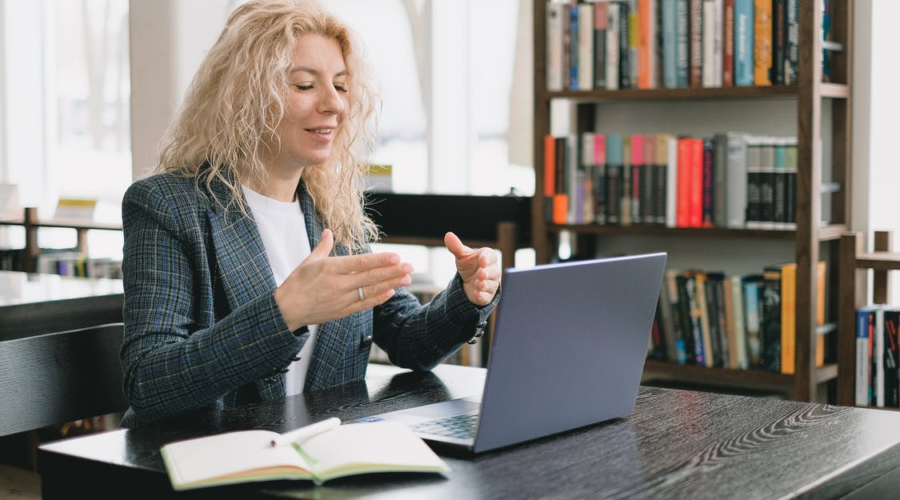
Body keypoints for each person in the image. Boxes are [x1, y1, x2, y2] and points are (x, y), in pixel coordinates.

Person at [119, 0, 501, 427]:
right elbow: (149, 382)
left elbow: (409, 339)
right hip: (205, 466)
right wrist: (285, 312)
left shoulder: (331, 211)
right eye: (304, 85)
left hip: (321, 464)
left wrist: (467, 294)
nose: (335, 105)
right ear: (244, 95)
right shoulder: (166, 205)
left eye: (340, 85)